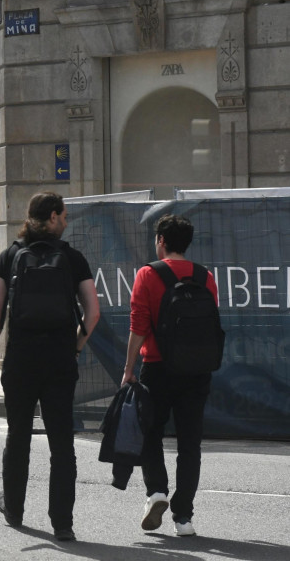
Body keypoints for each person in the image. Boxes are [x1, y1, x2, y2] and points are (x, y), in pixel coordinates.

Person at [0, 191, 99, 542]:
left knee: (19, 437)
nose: (66, 221)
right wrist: (75, 347)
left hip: (21, 360)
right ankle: (62, 523)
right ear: (52, 218)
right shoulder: (73, 258)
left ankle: (14, 509)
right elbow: (93, 313)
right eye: (63, 216)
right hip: (60, 360)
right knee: (62, 443)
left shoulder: (10, 256)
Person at [122, 214, 217, 537]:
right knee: (190, 444)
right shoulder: (206, 277)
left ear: (161, 240)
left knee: (151, 432)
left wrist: (128, 369)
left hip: (158, 368)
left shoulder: (148, 274)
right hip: (197, 371)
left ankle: (157, 492)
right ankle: (184, 518)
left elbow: (138, 327)